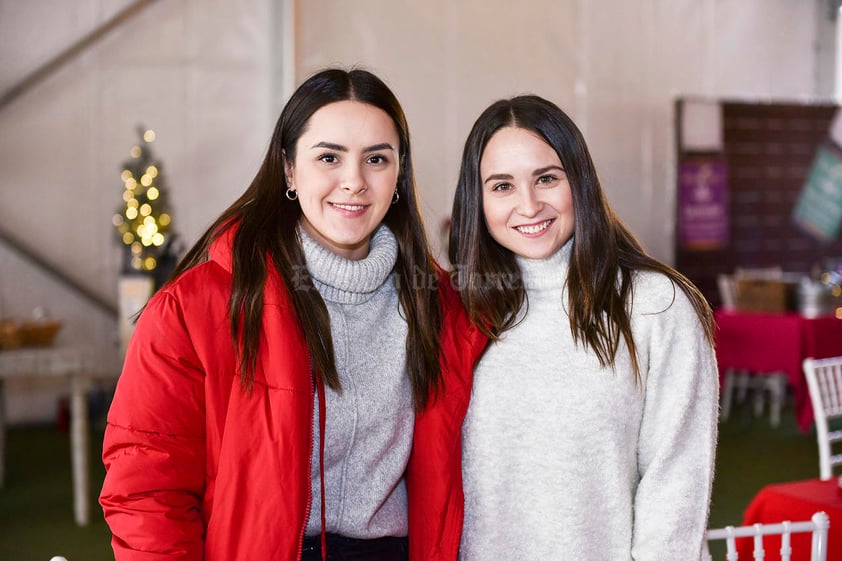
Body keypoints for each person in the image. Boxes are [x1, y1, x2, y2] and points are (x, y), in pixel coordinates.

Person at [99, 68, 447, 561]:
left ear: (399, 174)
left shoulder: (439, 307)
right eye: (329, 157)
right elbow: (147, 488)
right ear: (289, 169)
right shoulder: (195, 310)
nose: (354, 182)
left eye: (376, 159)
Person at [433, 94, 719, 560]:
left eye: (546, 178)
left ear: (579, 182)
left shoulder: (654, 306)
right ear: (477, 201)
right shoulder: (458, 312)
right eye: (502, 186)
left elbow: (676, 483)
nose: (529, 205)